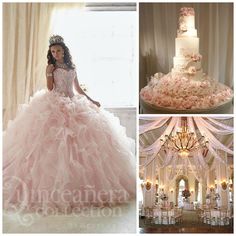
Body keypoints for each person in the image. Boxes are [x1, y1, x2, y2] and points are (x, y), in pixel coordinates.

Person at [3, 35, 136, 215]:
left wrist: (91, 100)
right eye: (52, 51)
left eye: (58, 50)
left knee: (87, 145)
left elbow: (77, 89)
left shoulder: (71, 67)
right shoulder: (51, 67)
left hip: (73, 101)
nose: (55, 53)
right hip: (55, 102)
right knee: (55, 144)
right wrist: (49, 73)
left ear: (64, 51)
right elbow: (50, 89)